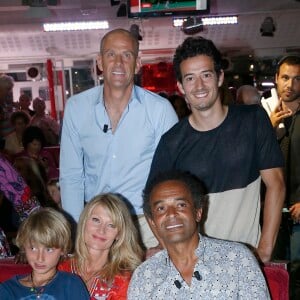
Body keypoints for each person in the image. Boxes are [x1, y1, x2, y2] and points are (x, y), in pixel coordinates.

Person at [146, 36, 285, 263]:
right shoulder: (171, 142)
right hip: (197, 264)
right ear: (181, 86)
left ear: (220, 77)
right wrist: (173, 251)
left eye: (206, 75)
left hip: (245, 259)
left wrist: (265, 250)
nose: (199, 86)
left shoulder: (253, 121)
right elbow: (152, 205)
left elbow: (276, 184)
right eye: (190, 78)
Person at [60, 28, 178, 248]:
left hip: (146, 227)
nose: (118, 62)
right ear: (100, 62)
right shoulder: (76, 108)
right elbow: (71, 176)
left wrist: (164, 237)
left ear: (138, 63)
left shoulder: (160, 110)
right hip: (96, 228)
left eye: (127, 55)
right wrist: (75, 233)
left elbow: (173, 177)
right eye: (111, 54)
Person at [128, 171, 270, 299]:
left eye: (181, 205)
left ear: (198, 212)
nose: (171, 214)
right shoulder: (144, 277)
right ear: (153, 222)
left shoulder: (238, 259)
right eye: (161, 208)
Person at [58, 193, 143, 299]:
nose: (101, 230)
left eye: (111, 225)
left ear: (119, 234)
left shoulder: (123, 280)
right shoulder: (60, 267)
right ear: (84, 221)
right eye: (96, 220)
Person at [0, 207, 90, 299]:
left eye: (49, 249)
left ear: (63, 249)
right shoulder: (8, 289)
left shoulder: (71, 285)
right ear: (24, 247)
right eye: (33, 248)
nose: (40, 258)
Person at [268, 54, 300, 300]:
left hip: (298, 209)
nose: (291, 85)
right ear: (276, 80)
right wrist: (268, 128)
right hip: (272, 211)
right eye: (286, 78)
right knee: (275, 271)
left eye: (298, 79)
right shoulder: (262, 114)